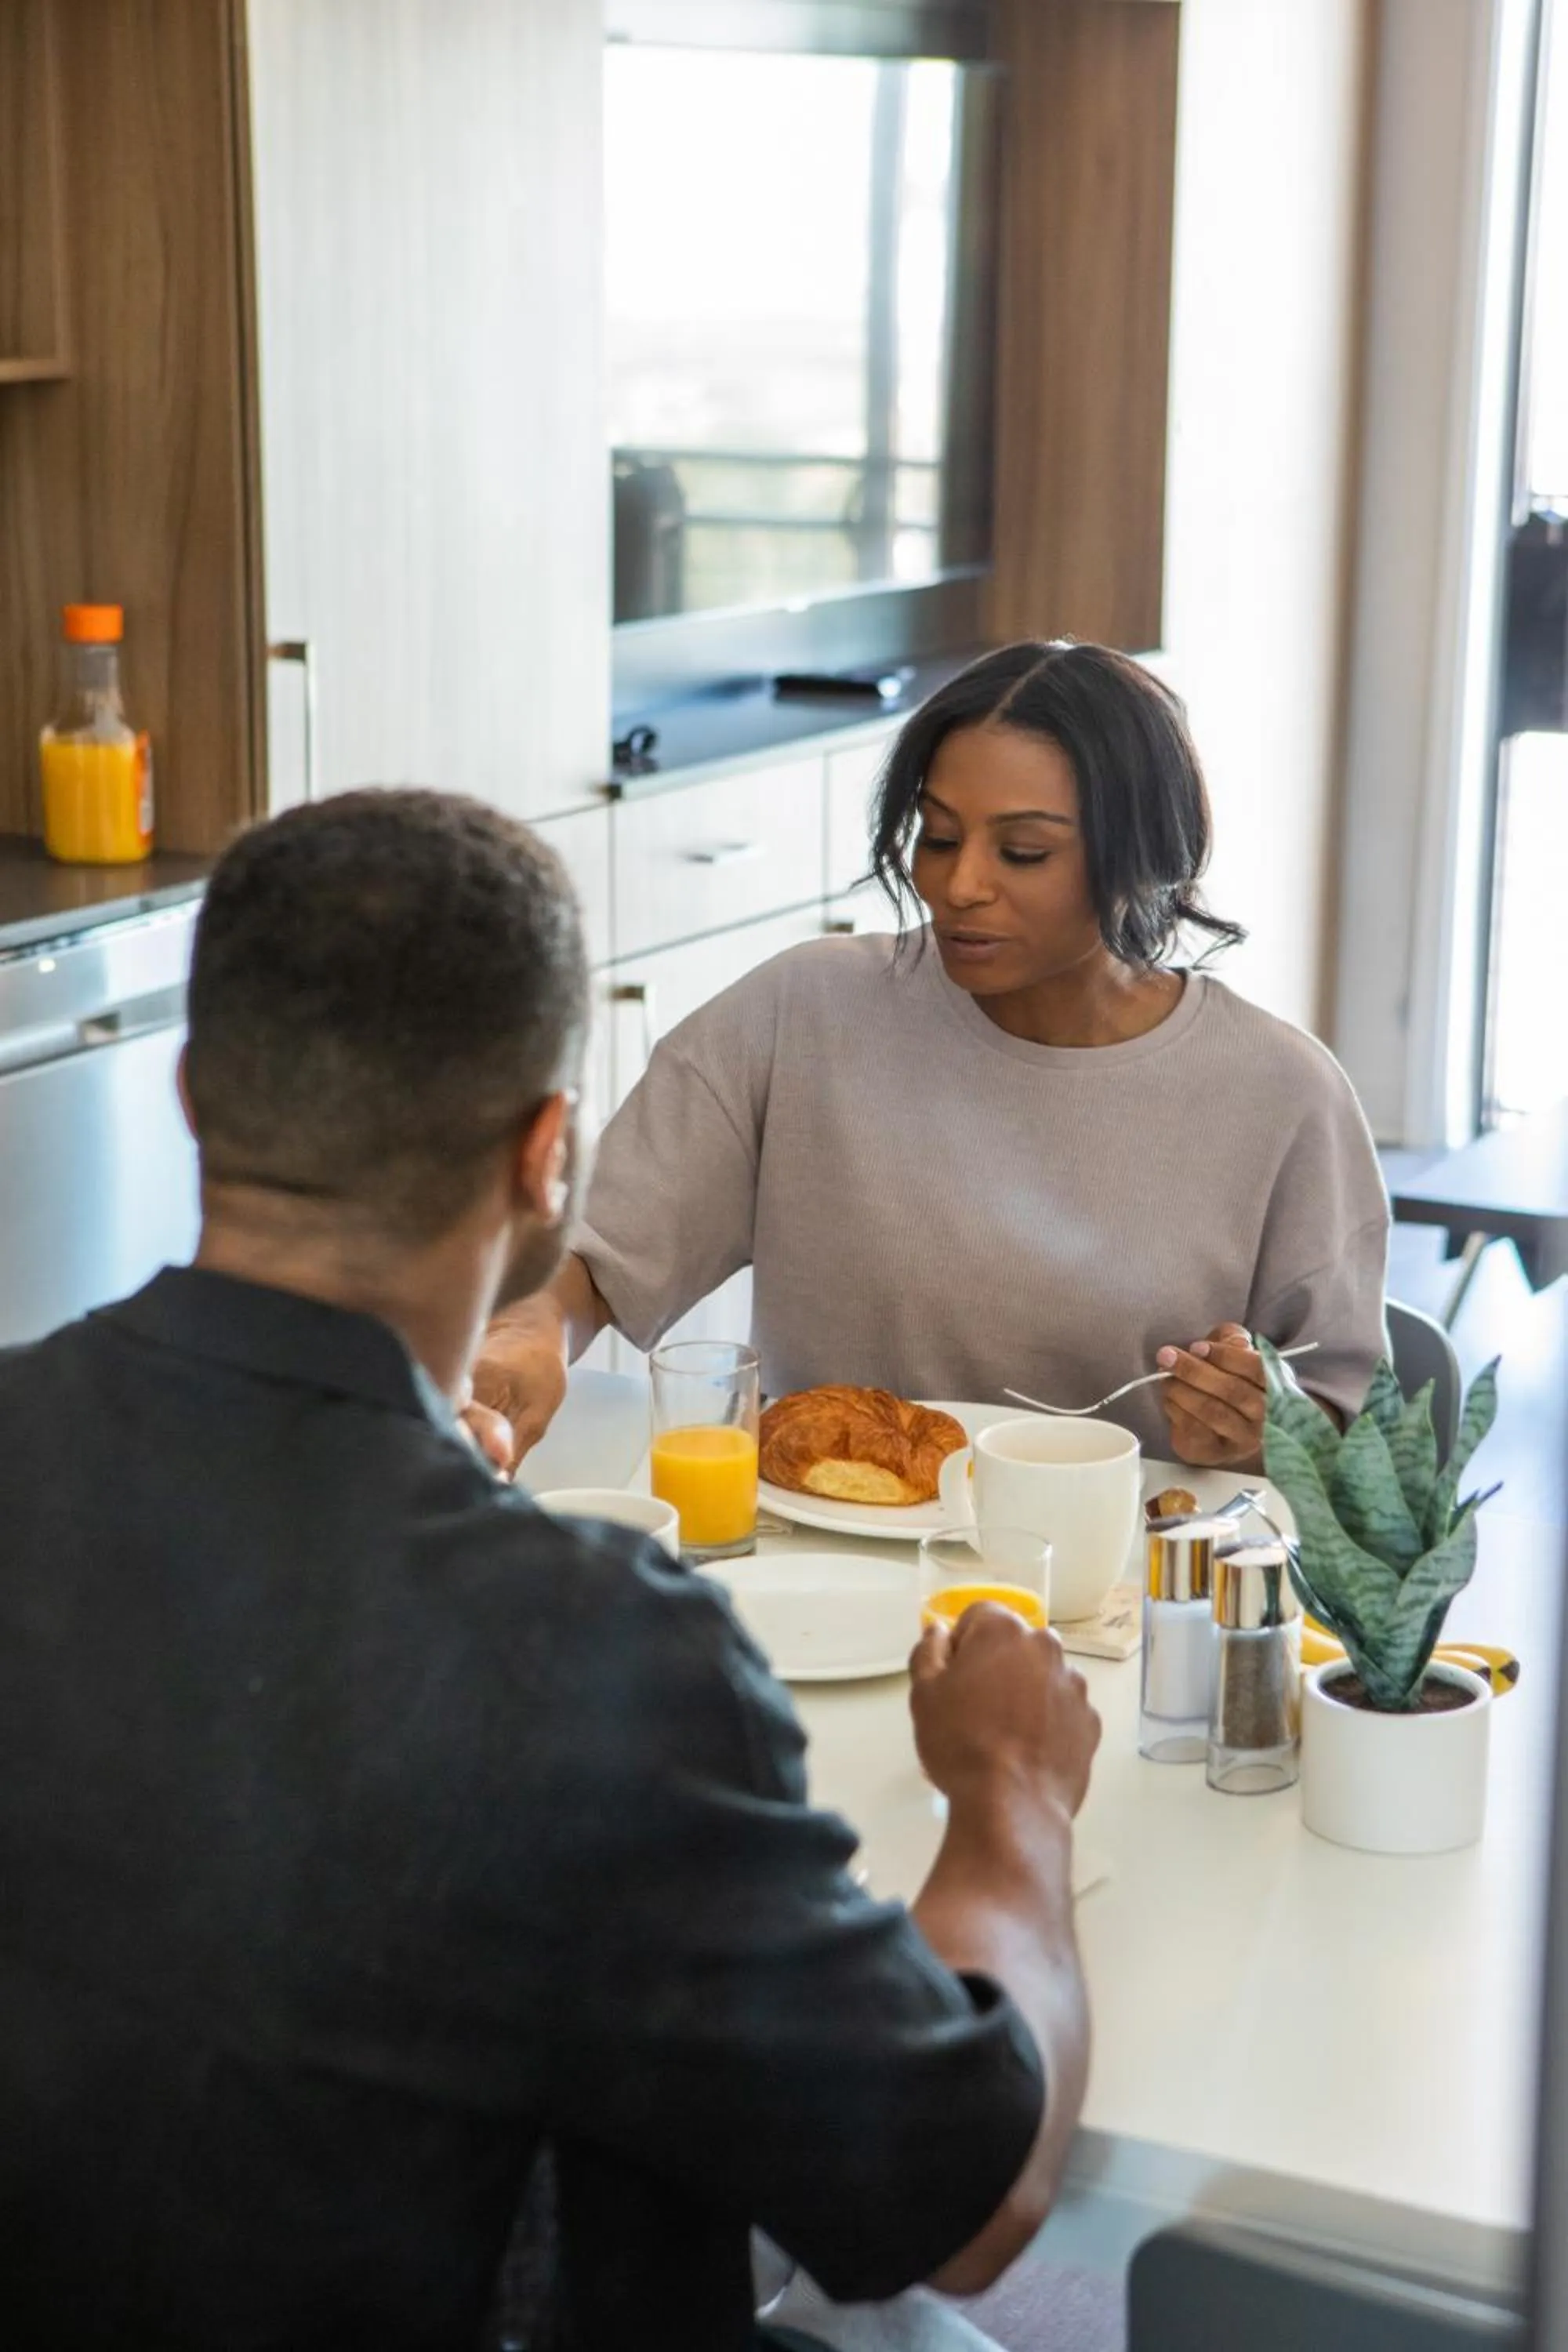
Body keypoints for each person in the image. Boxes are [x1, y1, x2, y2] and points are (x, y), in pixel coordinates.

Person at [0, 789, 1101, 2352]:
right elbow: (964, 2203)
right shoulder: (592, 1655)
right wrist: (1014, 1793)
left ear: (192, 1097)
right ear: (545, 1158)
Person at [477, 641, 1389, 1472]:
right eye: (938, 837)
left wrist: (1262, 1431)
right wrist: (531, 1334)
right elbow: (597, 1250)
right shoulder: (804, 1009)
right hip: (817, 1561)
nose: (958, 887)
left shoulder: (1280, 1095)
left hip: (1109, 1593)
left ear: (1139, 853)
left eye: (1022, 852)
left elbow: (1355, 1443)